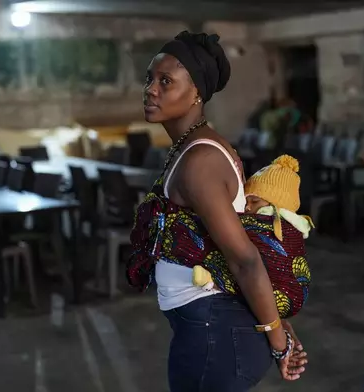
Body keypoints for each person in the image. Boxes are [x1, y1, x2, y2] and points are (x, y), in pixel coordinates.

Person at [128, 31, 307, 391]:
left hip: (216, 335)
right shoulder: (192, 147)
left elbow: (245, 259)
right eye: (150, 79)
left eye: (166, 81)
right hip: (211, 325)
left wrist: (278, 340)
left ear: (196, 92)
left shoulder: (201, 161)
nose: (151, 89)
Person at [191, 155, 314, 314]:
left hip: (268, 297)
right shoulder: (299, 225)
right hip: (293, 298)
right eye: (246, 202)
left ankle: (212, 281)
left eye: (254, 202)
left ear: (277, 203)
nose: (248, 207)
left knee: (240, 265)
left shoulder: (270, 221)